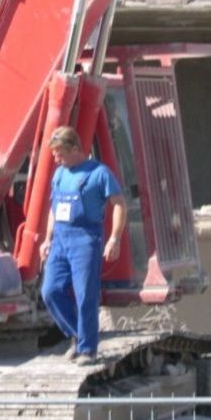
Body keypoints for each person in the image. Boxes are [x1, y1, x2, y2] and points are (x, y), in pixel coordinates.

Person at [40, 125, 127, 364]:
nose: (56, 158)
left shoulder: (99, 173)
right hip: (60, 239)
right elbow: (54, 209)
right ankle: (77, 334)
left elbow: (119, 204)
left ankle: (88, 349)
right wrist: (47, 239)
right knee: (51, 291)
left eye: (59, 153)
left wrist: (114, 238)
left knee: (85, 295)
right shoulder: (59, 175)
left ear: (75, 148)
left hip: (85, 239)